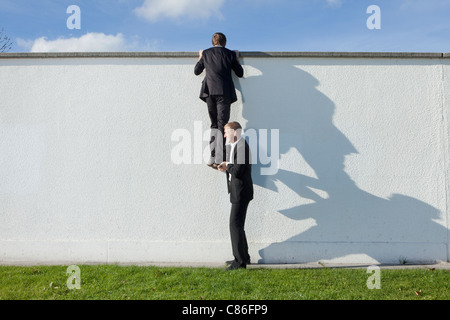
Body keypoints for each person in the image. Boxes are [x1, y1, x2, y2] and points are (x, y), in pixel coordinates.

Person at [194, 32, 244, 169]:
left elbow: (196, 71)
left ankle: (213, 155)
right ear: (225, 42)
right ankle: (219, 157)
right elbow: (240, 73)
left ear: (212, 42)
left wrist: (200, 57)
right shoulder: (230, 54)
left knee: (215, 124)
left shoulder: (206, 54)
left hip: (209, 92)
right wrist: (236, 58)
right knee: (222, 124)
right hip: (224, 92)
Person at [218, 122, 253, 270]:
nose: (224, 135)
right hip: (238, 191)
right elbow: (236, 168)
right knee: (238, 225)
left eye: (226, 132)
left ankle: (239, 262)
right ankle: (244, 257)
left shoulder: (241, 146)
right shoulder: (238, 145)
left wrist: (227, 166)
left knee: (234, 224)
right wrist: (226, 166)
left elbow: (238, 171)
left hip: (241, 192)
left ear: (234, 132)